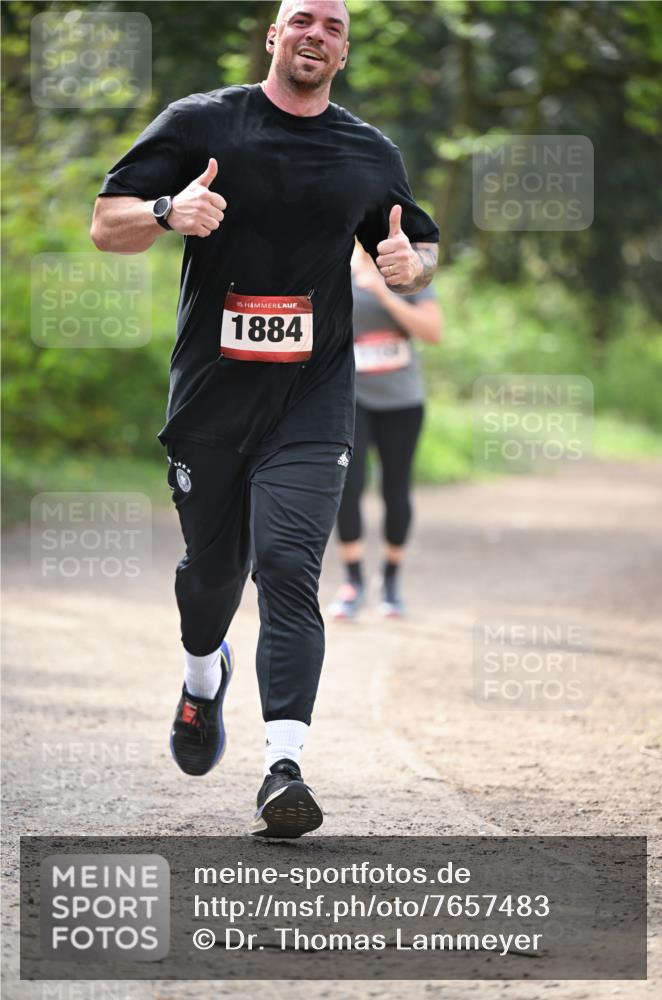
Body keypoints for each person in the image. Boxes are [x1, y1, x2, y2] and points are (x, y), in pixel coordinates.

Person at [90, 0, 439, 838]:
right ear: (276, 35)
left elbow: (418, 248)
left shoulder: (368, 151)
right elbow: (106, 224)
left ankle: (283, 767)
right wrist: (168, 212)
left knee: (287, 565)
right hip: (211, 397)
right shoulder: (202, 122)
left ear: (343, 52)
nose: (316, 34)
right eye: (302, 20)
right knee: (212, 575)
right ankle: (201, 677)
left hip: (311, 400)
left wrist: (411, 264)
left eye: (333, 26)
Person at [329, 243, 442, 620]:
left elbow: (433, 331)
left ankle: (391, 581)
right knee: (347, 486)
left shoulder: (408, 269)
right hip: (351, 400)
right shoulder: (333, 265)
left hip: (401, 402)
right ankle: (352, 581)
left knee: (396, 490)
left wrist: (383, 293)